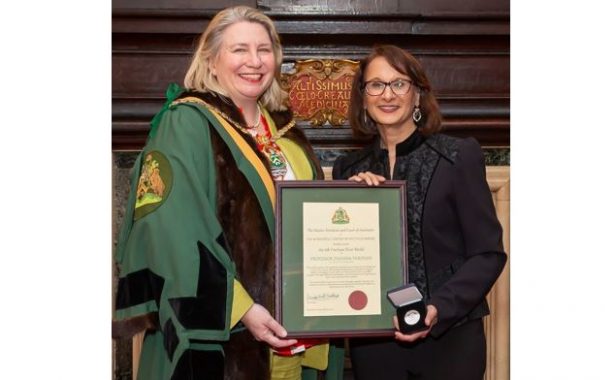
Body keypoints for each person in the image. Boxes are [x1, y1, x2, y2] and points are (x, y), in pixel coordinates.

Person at [112, 6, 341, 380]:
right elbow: (172, 230)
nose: (254, 61)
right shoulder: (186, 123)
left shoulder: (289, 136)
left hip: (298, 333)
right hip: (223, 342)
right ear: (212, 60)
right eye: (239, 50)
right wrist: (242, 309)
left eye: (264, 50)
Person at [332, 45, 507, 380]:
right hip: (376, 343)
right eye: (376, 85)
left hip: (450, 338)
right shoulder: (347, 170)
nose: (388, 94)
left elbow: (488, 254)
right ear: (363, 97)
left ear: (417, 96)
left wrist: (437, 308)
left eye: (399, 84)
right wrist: (347, 200)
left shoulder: (458, 156)